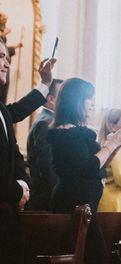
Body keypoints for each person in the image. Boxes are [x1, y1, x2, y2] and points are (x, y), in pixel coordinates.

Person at [47, 78, 121, 264]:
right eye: (88, 99)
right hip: (74, 204)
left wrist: (115, 143)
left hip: (87, 203)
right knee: (94, 259)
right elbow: (88, 166)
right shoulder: (64, 133)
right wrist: (109, 143)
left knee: (94, 258)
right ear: (75, 101)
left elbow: (101, 163)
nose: (93, 104)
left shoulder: (81, 131)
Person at [0, 42, 54, 264]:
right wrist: (17, 190)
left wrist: (44, 81)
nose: (5, 63)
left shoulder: (3, 111)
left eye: (6, 57)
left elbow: (18, 110)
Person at [26, 78, 63, 210]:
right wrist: (60, 196)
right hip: (47, 200)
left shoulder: (45, 120)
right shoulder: (46, 123)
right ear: (51, 99)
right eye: (63, 96)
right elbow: (48, 166)